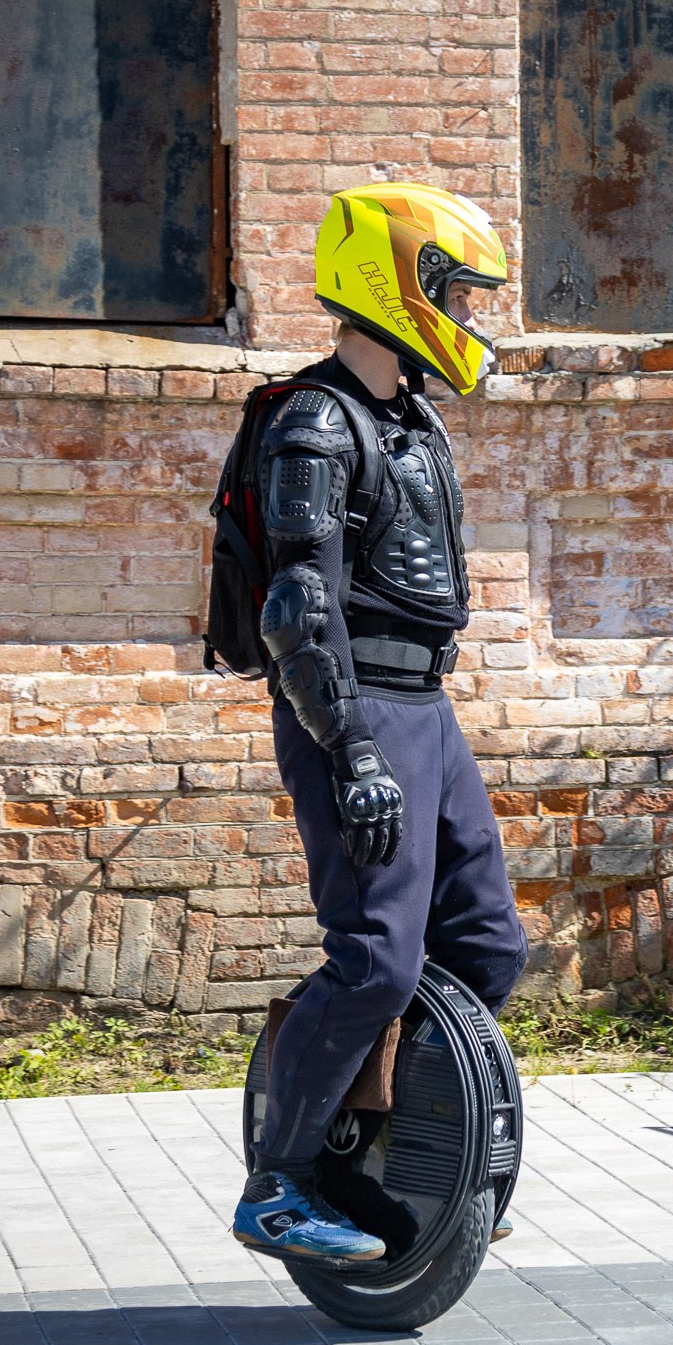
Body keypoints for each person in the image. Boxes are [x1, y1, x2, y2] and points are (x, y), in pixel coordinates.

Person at [232, 182, 528, 1263]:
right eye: (453, 289)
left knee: (488, 942)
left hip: (426, 707)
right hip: (356, 710)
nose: (468, 313)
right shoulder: (315, 420)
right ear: (394, 287)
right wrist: (351, 746)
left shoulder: (409, 414)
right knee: (374, 960)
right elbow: (296, 608)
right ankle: (283, 1177)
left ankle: (414, 1149)